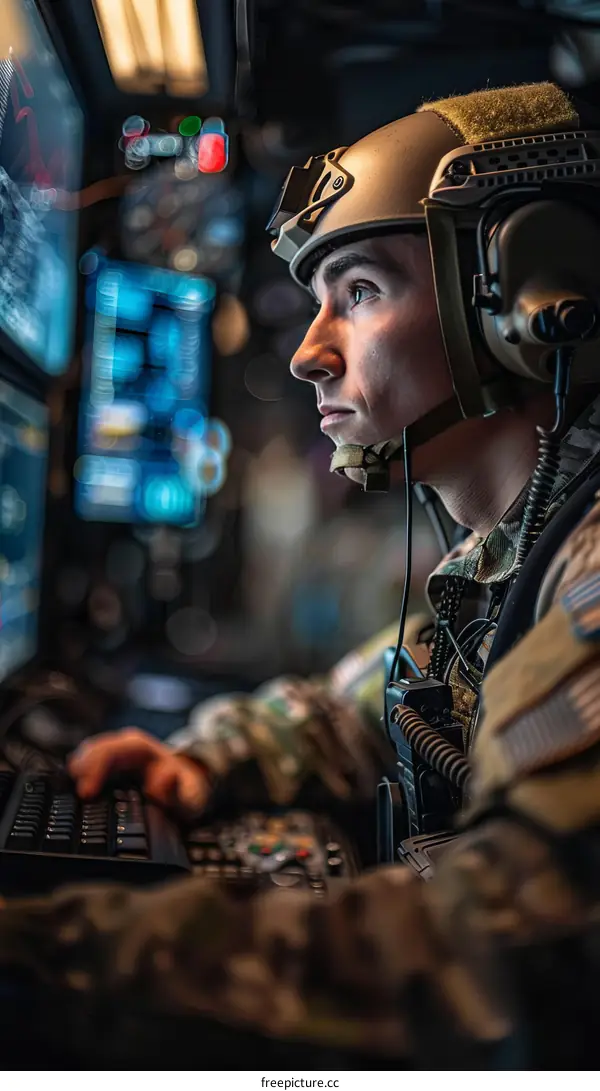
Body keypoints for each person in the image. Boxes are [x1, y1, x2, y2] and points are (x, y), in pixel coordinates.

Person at [2, 81, 600, 1069]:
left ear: (526, 295)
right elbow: (355, 706)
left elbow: (496, 958)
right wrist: (209, 758)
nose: (309, 356)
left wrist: (45, 957)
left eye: (359, 292)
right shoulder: (503, 563)